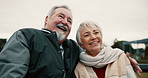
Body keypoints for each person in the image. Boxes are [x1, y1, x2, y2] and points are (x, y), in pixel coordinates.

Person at [0, 5, 142, 78]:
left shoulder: (73, 47)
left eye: (69, 20)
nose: (65, 22)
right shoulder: (26, 36)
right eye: (61, 16)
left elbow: (95, 51)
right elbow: (11, 72)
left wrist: (121, 57)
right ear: (46, 19)